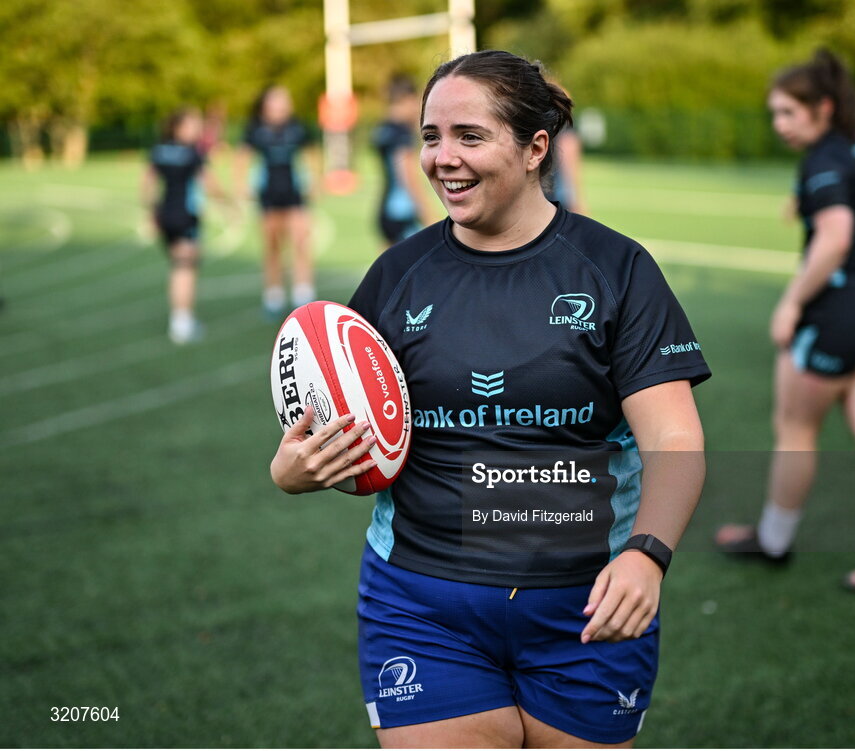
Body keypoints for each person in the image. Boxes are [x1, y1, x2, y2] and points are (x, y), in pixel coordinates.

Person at [270, 50, 710, 747]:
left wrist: (647, 553)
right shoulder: (397, 276)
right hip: (419, 603)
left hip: (588, 605)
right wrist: (295, 470)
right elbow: (369, 451)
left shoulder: (617, 270)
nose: (444, 158)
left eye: (469, 136)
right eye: (431, 136)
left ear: (537, 147)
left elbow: (676, 439)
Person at [714, 50, 855, 596]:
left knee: (796, 430)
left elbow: (836, 238)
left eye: (787, 112)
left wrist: (790, 304)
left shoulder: (822, 160)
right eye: (775, 113)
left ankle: (774, 541)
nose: (779, 124)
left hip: (842, 310)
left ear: (822, 108)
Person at [140, 107, 231, 344]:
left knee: (176, 267)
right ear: (178, 127)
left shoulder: (159, 151)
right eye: (192, 125)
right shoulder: (192, 154)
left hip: (165, 215)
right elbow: (208, 182)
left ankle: (180, 319)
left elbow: (147, 182)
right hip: (186, 216)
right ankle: (182, 322)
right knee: (185, 270)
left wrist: (151, 212)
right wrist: (228, 204)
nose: (196, 130)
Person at [236, 85, 317, 318]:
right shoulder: (256, 129)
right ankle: (274, 296)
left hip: (294, 193)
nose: (283, 105)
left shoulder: (297, 127)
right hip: (268, 195)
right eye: (277, 101)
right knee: (272, 247)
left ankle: (304, 295)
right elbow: (242, 156)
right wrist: (242, 185)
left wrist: (314, 181)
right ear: (266, 105)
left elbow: (311, 152)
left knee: (301, 242)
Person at [371, 74, 438, 248]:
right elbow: (407, 176)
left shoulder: (382, 129)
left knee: (391, 270)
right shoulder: (401, 133)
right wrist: (427, 213)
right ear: (407, 99)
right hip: (403, 211)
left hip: (385, 208)